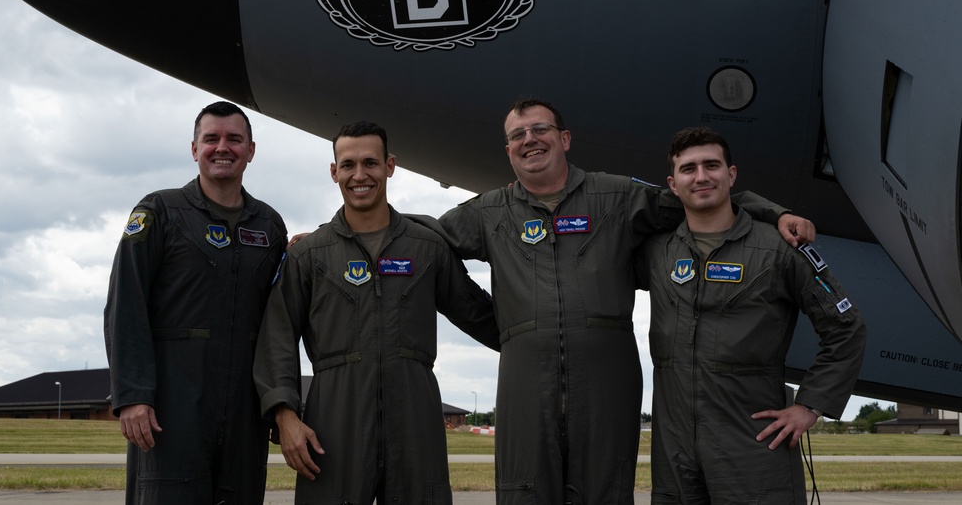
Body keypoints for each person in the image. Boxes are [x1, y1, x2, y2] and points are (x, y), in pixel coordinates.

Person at [433, 99, 815, 505]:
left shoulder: (615, 194)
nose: (530, 140)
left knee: (606, 493)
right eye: (517, 136)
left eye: (540, 129)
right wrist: (500, 327)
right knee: (523, 493)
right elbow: (428, 249)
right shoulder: (490, 211)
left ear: (564, 138)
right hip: (525, 383)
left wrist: (772, 212)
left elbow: (700, 196)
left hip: (607, 383)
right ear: (508, 151)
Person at [253, 121, 500, 503]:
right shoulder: (308, 256)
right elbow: (277, 338)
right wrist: (285, 416)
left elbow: (481, 316)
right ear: (334, 172)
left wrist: (543, 335)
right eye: (348, 165)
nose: (359, 175)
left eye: (370, 162)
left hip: (415, 420)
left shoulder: (427, 248)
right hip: (333, 420)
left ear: (390, 165)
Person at [637, 126, 866, 504]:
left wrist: (810, 406)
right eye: (688, 169)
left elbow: (846, 326)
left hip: (753, 444)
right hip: (675, 450)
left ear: (731, 174)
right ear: (673, 185)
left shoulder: (780, 249)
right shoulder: (656, 251)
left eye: (712, 165)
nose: (701, 176)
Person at [103, 101, 287, 504]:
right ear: (194, 149)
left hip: (244, 415)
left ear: (251, 151)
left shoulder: (269, 226)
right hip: (172, 413)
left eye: (234, 139)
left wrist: (281, 402)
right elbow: (125, 303)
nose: (223, 147)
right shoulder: (160, 212)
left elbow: (280, 324)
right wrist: (133, 395)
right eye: (212, 139)